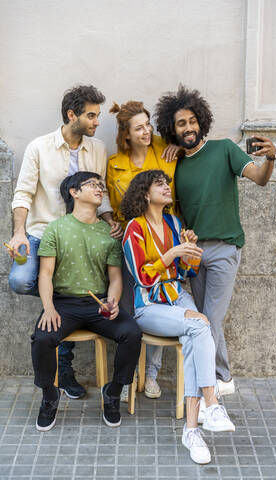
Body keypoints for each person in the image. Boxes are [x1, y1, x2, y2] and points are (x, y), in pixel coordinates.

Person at [154, 85, 276, 401]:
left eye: (192, 121)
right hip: (192, 253)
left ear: (201, 121)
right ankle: (223, 378)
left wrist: (272, 158)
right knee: (206, 319)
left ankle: (208, 385)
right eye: (181, 124)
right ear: (173, 129)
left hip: (224, 249)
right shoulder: (177, 163)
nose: (188, 128)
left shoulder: (224, 149)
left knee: (209, 318)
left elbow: (260, 179)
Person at [7, 85, 122, 400]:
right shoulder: (39, 147)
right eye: (91, 115)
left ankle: (65, 369)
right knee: (20, 280)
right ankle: (62, 305)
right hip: (42, 231)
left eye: (97, 115)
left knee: (67, 295)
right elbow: (24, 193)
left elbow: (101, 191)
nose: (97, 122)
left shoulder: (97, 148)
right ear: (72, 115)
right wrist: (19, 232)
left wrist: (110, 219)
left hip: (81, 236)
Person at [122, 169, 235, 465]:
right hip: (148, 305)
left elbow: (185, 273)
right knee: (201, 324)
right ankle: (211, 404)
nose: (167, 186)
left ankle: (192, 429)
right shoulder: (134, 228)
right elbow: (143, 278)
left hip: (176, 298)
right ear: (145, 193)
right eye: (160, 183)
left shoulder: (174, 223)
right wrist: (172, 254)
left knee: (196, 332)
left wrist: (189, 254)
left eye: (167, 182)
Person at [31, 171, 141, 432]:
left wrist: (112, 303)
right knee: (43, 338)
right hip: (63, 303)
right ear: (74, 192)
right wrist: (48, 308)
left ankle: (112, 392)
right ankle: (49, 395)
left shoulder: (108, 233)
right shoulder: (56, 228)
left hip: (98, 304)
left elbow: (115, 278)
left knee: (132, 333)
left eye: (100, 185)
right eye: (92, 185)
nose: (99, 189)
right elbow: (45, 274)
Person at [107, 100, 180, 400]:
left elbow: (190, 148)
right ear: (126, 134)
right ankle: (127, 376)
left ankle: (151, 374)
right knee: (127, 310)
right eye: (139, 128)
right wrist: (111, 221)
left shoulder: (165, 150)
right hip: (131, 244)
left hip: (163, 239)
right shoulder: (114, 164)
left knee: (160, 303)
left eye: (148, 125)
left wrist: (179, 147)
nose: (147, 131)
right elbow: (111, 204)